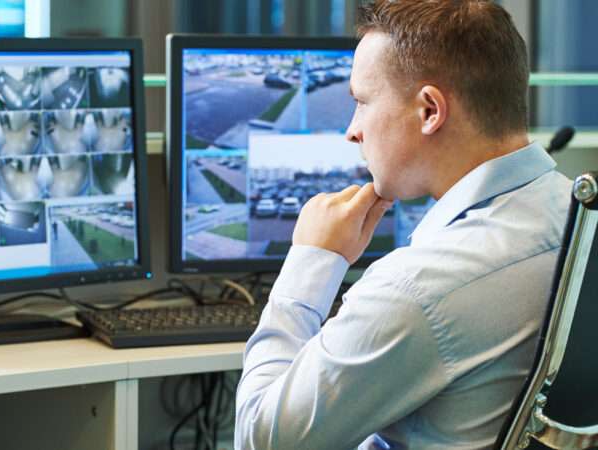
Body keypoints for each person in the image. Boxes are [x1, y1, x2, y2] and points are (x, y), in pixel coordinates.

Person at [234, 1, 572, 449]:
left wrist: (309, 264)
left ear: (430, 111)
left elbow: (261, 439)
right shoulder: (575, 212)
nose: (352, 131)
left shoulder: (418, 287)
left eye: (361, 102)